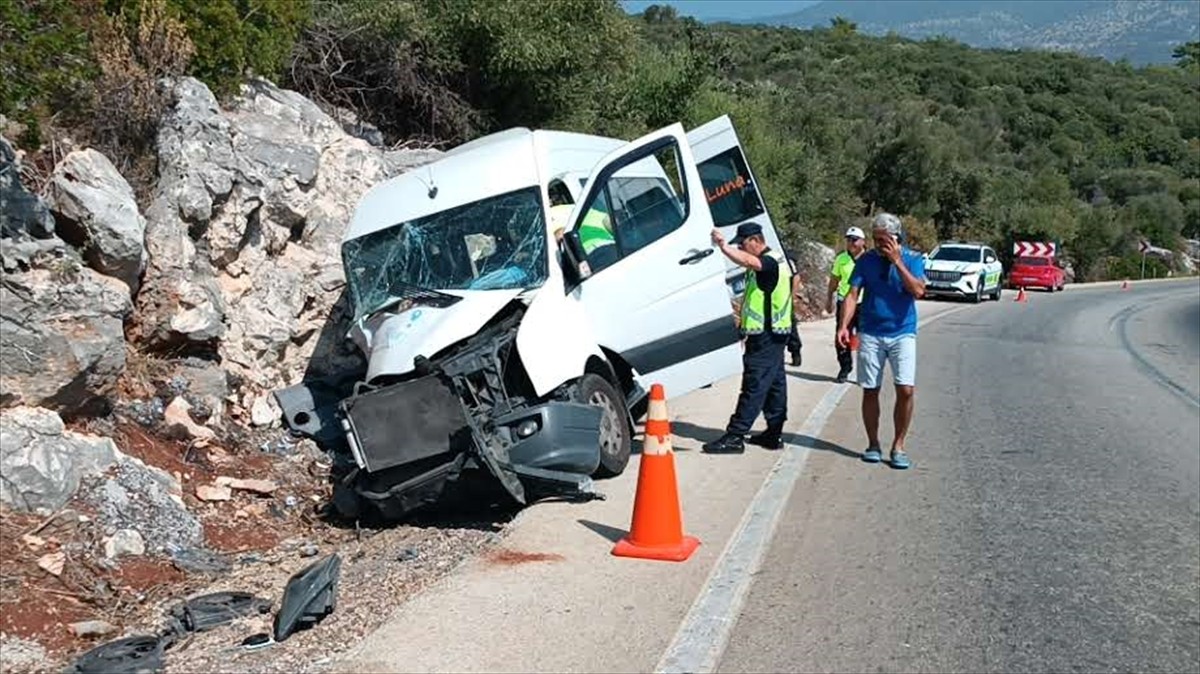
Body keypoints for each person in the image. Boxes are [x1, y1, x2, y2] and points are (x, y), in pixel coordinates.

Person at [837, 212, 925, 469]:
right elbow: (853, 294)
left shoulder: (913, 259)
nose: (878, 245)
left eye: (883, 240)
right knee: (870, 389)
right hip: (871, 332)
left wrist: (897, 261)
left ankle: (898, 445)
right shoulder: (866, 261)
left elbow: (918, 291)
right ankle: (873, 444)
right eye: (875, 239)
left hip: (903, 332)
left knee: (906, 389)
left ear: (897, 238)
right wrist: (844, 326)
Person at [703, 222, 794, 454]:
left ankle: (735, 435)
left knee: (754, 385)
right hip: (773, 333)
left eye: (743, 244)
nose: (742, 249)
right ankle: (774, 434)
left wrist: (724, 247)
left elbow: (749, 261)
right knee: (775, 385)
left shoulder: (769, 262)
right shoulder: (777, 260)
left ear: (755, 240)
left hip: (766, 335)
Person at [826, 226, 867, 383]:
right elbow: (834, 281)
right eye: (849, 240)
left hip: (865, 303)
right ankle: (845, 367)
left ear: (863, 242)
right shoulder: (841, 259)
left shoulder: (870, 259)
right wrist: (829, 299)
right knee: (841, 337)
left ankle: (864, 371)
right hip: (845, 302)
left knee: (866, 339)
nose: (851, 243)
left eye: (854, 240)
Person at [785, 252, 804, 367]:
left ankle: (795, 353)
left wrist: (791, 297)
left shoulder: (785, 258)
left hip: (784, 299)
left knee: (790, 327)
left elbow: (796, 277)